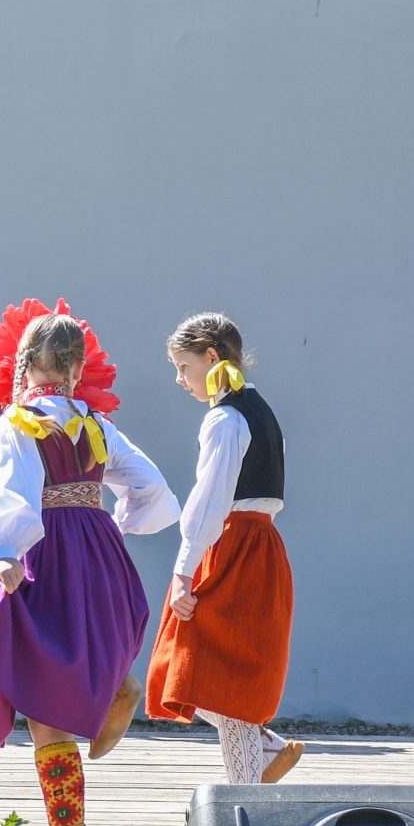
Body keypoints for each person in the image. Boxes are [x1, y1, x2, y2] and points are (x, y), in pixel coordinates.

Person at [0, 311, 180, 826]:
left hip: (45, 554)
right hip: (98, 552)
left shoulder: (19, 423)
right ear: (78, 368)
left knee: (41, 694)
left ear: (26, 363)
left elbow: (10, 491)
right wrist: (110, 524)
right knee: (67, 663)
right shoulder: (97, 426)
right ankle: (116, 688)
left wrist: (4, 552)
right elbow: (153, 491)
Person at [144, 313, 303, 783]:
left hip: (231, 547)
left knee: (214, 675)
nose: (180, 379)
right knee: (200, 670)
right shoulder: (261, 410)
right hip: (263, 547)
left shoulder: (224, 419)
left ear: (210, 357)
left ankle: (245, 800)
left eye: (183, 366)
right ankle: (263, 748)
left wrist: (183, 571)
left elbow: (209, 502)